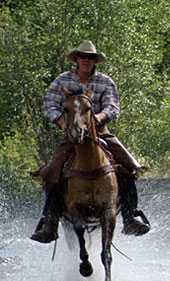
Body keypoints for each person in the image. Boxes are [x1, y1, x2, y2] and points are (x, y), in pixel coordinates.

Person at [30, 40, 150, 243]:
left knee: (128, 166)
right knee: (53, 171)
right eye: (83, 56)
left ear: (95, 60)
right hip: (71, 134)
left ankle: (130, 216)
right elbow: (49, 103)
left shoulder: (105, 81)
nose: (86, 60)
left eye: (90, 57)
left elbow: (113, 105)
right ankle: (48, 221)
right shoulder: (62, 81)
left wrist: (99, 118)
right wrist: (61, 122)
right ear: (77, 58)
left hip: (100, 132)